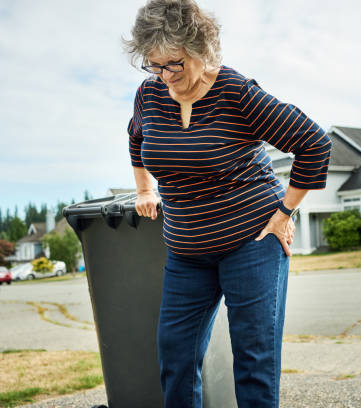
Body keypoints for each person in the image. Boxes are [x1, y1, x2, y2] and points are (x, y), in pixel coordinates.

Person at [123, 0, 331, 407]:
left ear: (200, 50)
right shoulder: (150, 94)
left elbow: (314, 143)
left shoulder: (236, 92)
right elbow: (136, 138)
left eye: (174, 65)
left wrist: (285, 211)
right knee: (176, 357)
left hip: (250, 242)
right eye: (155, 65)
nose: (165, 77)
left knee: (254, 361)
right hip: (186, 251)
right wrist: (145, 189)